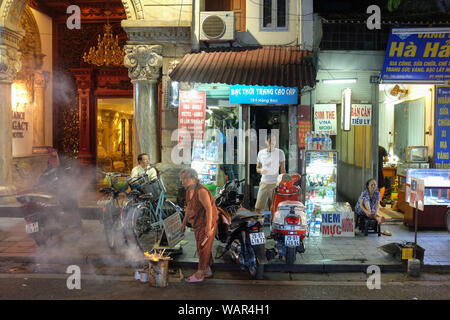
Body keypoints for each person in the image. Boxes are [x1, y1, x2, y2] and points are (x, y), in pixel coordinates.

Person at [180, 168, 218, 282]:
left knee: (202, 247)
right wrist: (183, 223)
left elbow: (209, 209)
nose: (183, 181)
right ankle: (208, 270)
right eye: (182, 179)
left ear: (193, 178)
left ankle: (200, 274)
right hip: (197, 223)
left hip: (207, 221)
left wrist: (208, 226)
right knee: (203, 246)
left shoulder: (201, 191)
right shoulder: (188, 191)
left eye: (185, 179)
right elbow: (188, 208)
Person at [255, 134, 286, 214]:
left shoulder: (280, 153)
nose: (272, 142)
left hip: (275, 184)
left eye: (274, 141)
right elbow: (257, 168)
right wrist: (261, 170)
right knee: (258, 208)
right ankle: (262, 223)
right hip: (264, 183)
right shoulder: (261, 153)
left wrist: (283, 182)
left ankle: (273, 224)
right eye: (270, 141)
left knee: (275, 208)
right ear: (266, 141)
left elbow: (283, 170)